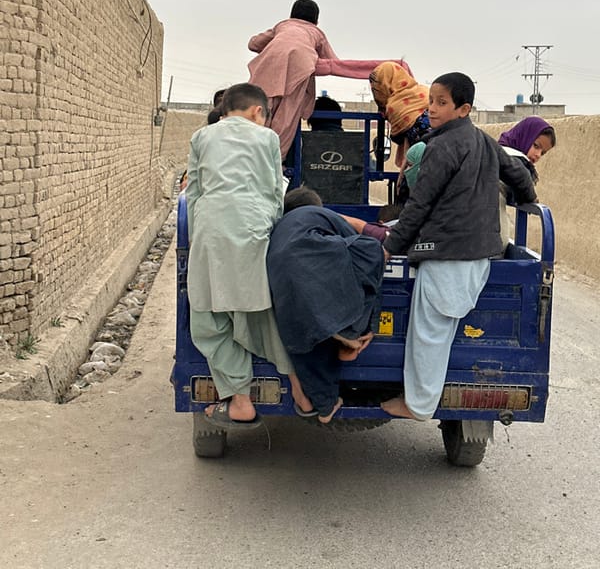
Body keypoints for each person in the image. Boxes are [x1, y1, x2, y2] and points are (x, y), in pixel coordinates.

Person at [379, 72, 537, 422]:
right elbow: (520, 176)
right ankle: (420, 399)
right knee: (439, 331)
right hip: (480, 255)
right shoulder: (483, 140)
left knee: (429, 335)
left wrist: (391, 246)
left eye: (441, 103)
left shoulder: (441, 146)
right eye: (431, 100)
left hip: (447, 255)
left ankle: (417, 406)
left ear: (463, 108)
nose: (432, 109)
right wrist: (529, 199)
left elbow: (420, 203)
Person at [186, 82, 311, 428]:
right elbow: (274, 193)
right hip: (255, 231)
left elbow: (194, 194)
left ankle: (240, 400)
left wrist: (199, 242)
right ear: (259, 111)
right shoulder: (268, 139)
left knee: (209, 319)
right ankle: (301, 390)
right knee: (264, 316)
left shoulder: (203, 137)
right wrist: (271, 234)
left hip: (212, 230)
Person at [267, 187, 385, 423]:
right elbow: (355, 241)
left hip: (280, 280)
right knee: (372, 251)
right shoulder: (318, 214)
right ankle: (355, 329)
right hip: (316, 261)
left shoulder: (279, 228)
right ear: (316, 206)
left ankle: (325, 405)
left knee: (302, 340)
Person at [247, 0, 413, 161]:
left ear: (291, 15)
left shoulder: (282, 26)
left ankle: (249, 159)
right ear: (316, 21)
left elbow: (253, 44)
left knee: (257, 120)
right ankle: (273, 163)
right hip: (299, 71)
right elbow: (334, 62)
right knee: (285, 123)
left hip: (265, 75)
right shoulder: (316, 33)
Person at [497, 116, 556, 247]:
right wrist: (532, 199)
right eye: (536, 146)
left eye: (543, 153)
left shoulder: (498, 151)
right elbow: (522, 181)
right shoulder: (514, 159)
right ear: (524, 136)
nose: (538, 155)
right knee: (500, 244)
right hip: (488, 210)